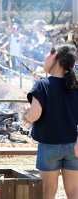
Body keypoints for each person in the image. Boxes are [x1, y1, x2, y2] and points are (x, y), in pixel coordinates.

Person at [24, 43, 78, 199]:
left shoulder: (42, 85)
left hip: (49, 146)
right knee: (74, 192)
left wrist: (27, 114)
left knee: (47, 192)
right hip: (74, 145)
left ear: (54, 56)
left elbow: (34, 116)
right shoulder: (75, 85)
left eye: (47, 54)